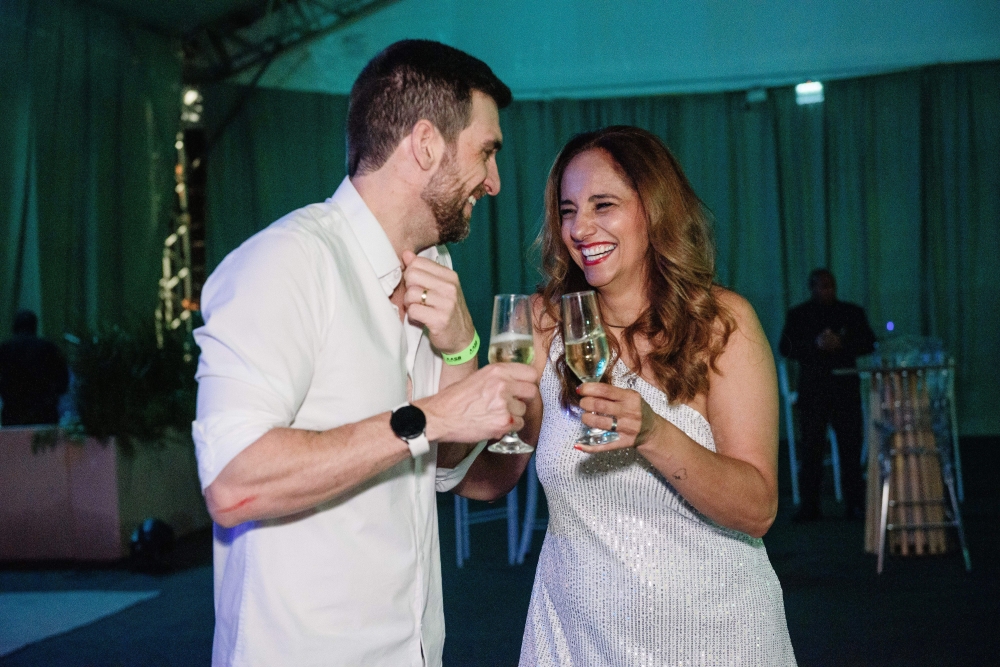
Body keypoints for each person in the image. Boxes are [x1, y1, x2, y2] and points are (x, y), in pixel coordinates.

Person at [192, 40, 539, 667]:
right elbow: (233, 483)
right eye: (486, 152)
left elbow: (449, 468)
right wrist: (428, 417)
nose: (493, 182)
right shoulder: (286, 262)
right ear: (425, 144)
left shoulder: (435, 268)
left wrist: (462, 349)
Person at [514, 127, 796, 665]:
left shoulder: (721, 324)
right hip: (575, 641)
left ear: (654, 209)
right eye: (568, 211)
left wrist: (653, 434)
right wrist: (456, 354)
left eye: (603, 205)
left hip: (713, 640)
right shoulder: (544, 325)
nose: (580, 228)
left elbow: (758, 509)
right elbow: (491, 474)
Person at [779, 268, 876, 521]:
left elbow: (869, 342)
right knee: (811, 449)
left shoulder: (851, 313)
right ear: (812, 288)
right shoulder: (799, 315)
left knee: (850, 448)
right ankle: (810, 505)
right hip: (814, 390)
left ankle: (855, 502)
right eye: (822, 286)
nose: (827, 291)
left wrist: (841, 343)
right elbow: (786, 347)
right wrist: (815, 344)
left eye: (830, 286)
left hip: (845, 389)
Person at [0, 309, 69, 426]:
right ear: (35, 326)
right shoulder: (49, 348)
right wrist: (51, 397)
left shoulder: (4, 349)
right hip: (45, 412)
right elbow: (63, 380)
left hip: (13, 411)